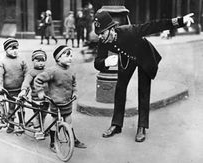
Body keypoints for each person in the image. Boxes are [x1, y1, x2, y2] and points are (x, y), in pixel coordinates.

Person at [93, 11, 194, 142]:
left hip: (144, 57)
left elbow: (153, 26)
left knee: (144, 91)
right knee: (120, 88)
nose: (100, 36)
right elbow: (97, 62)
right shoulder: (104, 41)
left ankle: (142, 127)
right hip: (127, 58)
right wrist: (105, 62)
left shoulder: (129, 31)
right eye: (99, 34)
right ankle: (116, 125)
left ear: (111, 29)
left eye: (102, 33)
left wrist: (179, 21)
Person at [34, 45, 87, 152]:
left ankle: (73, 139)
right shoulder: (52, 71)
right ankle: (53, 142)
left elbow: (74, 83)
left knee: (69, 121)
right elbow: (38, 80)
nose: (70, 58)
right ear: (58, 58)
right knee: (55, 122)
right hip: (55, 102)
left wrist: (75, 92)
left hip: (67, 102)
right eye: (67, 55)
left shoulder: (71, 71)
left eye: (71, 56)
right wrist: (40, 92)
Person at [0, 38, 28, 133]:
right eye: (11, 49)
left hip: (20, 89)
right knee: (12, 107)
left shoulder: (22, 60)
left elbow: (27, 73)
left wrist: (26, 86)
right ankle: (11, 125)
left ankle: (21, 124)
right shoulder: (3, 62)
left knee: (21, 107)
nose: (14, 51)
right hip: (10, 90)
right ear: (6, 50)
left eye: (16, 48)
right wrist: (0, 86)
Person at [18, 49, 49, 139]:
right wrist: (24, 90)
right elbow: (26, 82)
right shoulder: (31, 73)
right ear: (33, 61)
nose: (40, 63)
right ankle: (37, 130)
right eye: (38, 61)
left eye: (42, 61)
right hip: (36, 98)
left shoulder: (47, 71)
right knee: (37, 114)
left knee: (43, 114)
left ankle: (41, 129)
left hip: (47, 98)